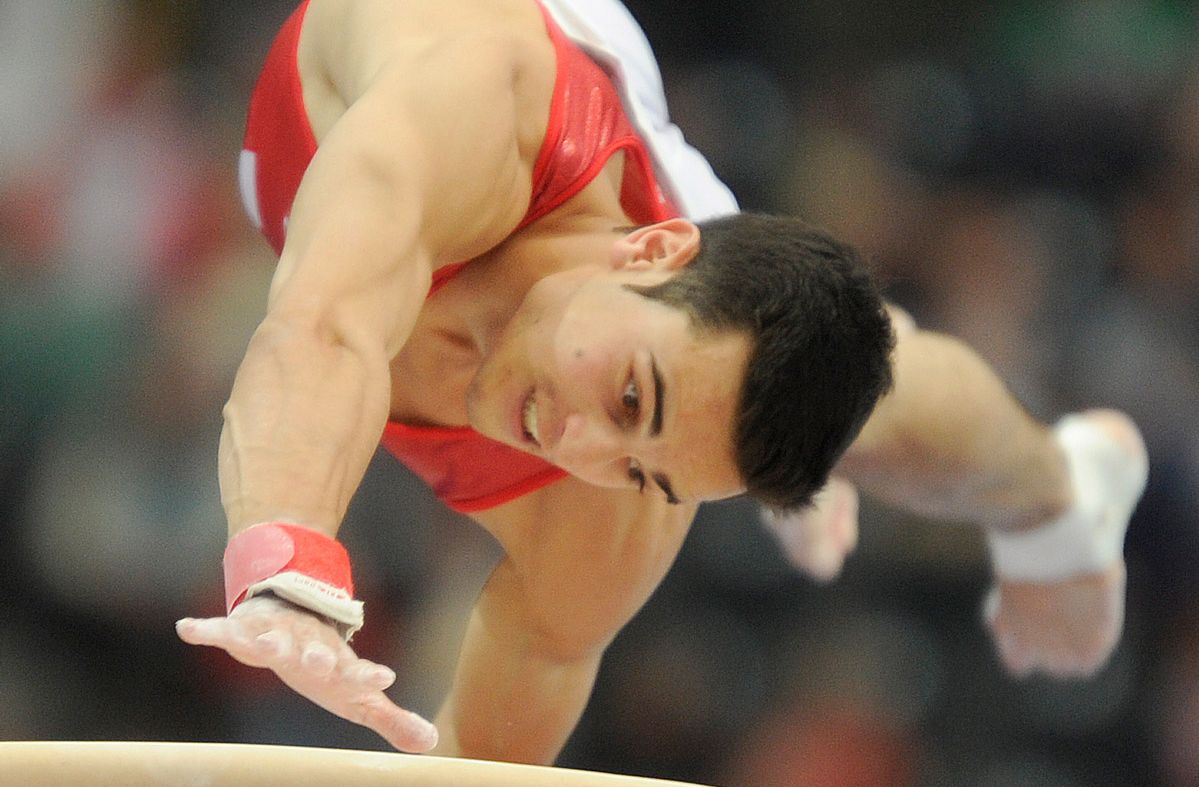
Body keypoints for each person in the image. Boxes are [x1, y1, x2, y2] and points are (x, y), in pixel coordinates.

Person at [176, 0, 1148, 766]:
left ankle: (1059, 488)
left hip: (630, 292)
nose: (577, 448)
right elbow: (319, 332)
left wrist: (652, 443)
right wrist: (289, 561)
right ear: (646, 247)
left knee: (847, 392)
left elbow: (472, 756)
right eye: (630, 397)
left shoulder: (599, 519)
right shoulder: (468, 102)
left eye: (648, 471)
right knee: (884, 376)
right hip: (565, 92)